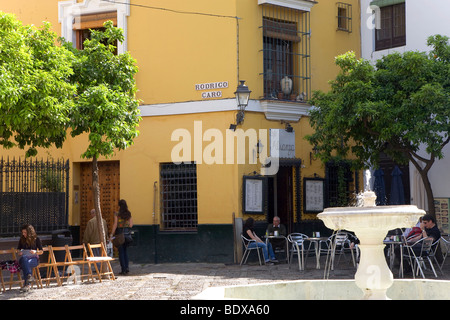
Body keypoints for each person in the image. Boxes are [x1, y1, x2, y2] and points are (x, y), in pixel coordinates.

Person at [17, 224, 43, 292]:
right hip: (24, 258)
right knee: (24, 259)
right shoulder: (22, 239)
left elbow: (41, 251)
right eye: (22, 232)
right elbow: (18, 250)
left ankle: (26, 285)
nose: (23, 234)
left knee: (25, 264)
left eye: (25, 232)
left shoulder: (36, 239)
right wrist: (20, 252)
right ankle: (29, 276)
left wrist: (35, 251)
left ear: (29, 232)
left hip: (33, 259)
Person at [110, 199, 133, 275]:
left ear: (119, 206)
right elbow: (131, 225)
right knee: (125, 251)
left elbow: (115, 224)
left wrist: (111, 234)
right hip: (127, 235)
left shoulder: (117, 214)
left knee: (121, 252)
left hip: (120, 235)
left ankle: (123, 269)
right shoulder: (128, 214)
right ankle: (127, 268)